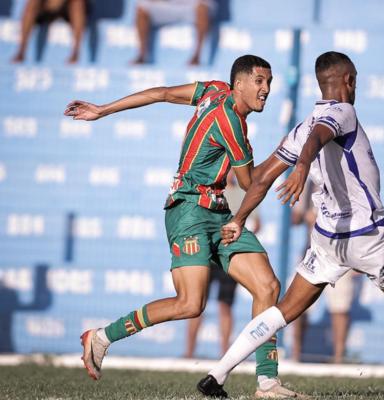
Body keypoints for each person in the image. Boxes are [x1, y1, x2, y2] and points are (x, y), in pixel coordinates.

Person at [196, 51, 384, 400]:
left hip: (327, 240)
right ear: (350, 80)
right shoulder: (342, 111)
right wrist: (303, 166)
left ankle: (217, 374)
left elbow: (260, 179)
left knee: (284, 310)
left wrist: (239, 218)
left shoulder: (302, 125)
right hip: (366, 235)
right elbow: (320, 136)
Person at [64, 54, 301, 398]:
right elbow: (251, 184)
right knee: (190, 304)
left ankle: (267, 383)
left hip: (218, 209)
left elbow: (161, 93)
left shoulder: (213, 90)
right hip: (189, 210)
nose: (266, 89)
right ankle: (101, 337)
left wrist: (103, 110)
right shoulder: (232, 123)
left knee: (267, 286)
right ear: (239, 84)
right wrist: (287, 154)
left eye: (269, 82)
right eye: (259, 81)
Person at [184, 171, 261, 359]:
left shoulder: (244, 194)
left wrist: (239, 233)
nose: (229, 173)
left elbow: (257, 223)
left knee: (225, 305)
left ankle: (225, 354)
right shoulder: (209, 192)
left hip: (230, 256)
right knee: (195, 305)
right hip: (208, 256)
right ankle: (189, 353)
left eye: (232, 169)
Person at [291, 181, 354, 364]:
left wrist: (322, 218)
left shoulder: (345, 183)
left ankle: (338, 359)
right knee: (297, 305)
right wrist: (301, 213)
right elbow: (295, 219)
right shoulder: (308, 184)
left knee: (340, 307)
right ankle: (296, 355)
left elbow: (356, 218)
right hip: (312, 252)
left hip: (340, 252)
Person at [131, 0, 215, 65]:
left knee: (203, 8)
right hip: (167, 5)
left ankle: (197, 57)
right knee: (142, 7)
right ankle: (142, 56)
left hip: (191, 6)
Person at [12, 0, 87, 64]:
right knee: (32, 3)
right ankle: (21, 51)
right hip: (46, 5)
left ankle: (75, 53)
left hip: (67, 6)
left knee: (78, 3)